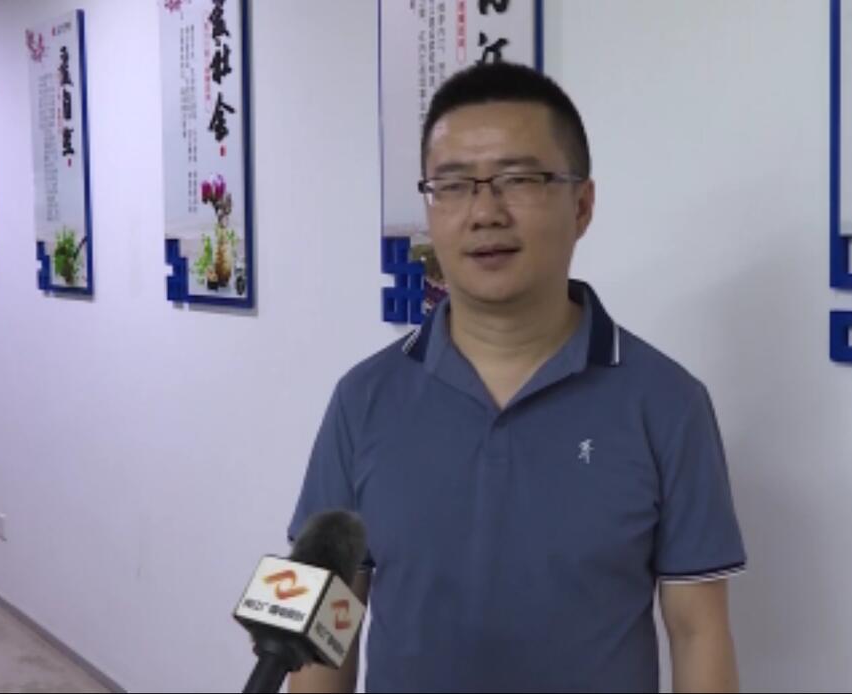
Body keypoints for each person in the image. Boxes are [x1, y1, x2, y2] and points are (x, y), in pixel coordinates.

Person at [289, 61, 746, 693]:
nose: (484, 212)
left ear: (582, 205)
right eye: (452, 185)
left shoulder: (667, 402)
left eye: (519, 179)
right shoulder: (362, 399)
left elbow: (698, 631)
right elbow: (321, 628)